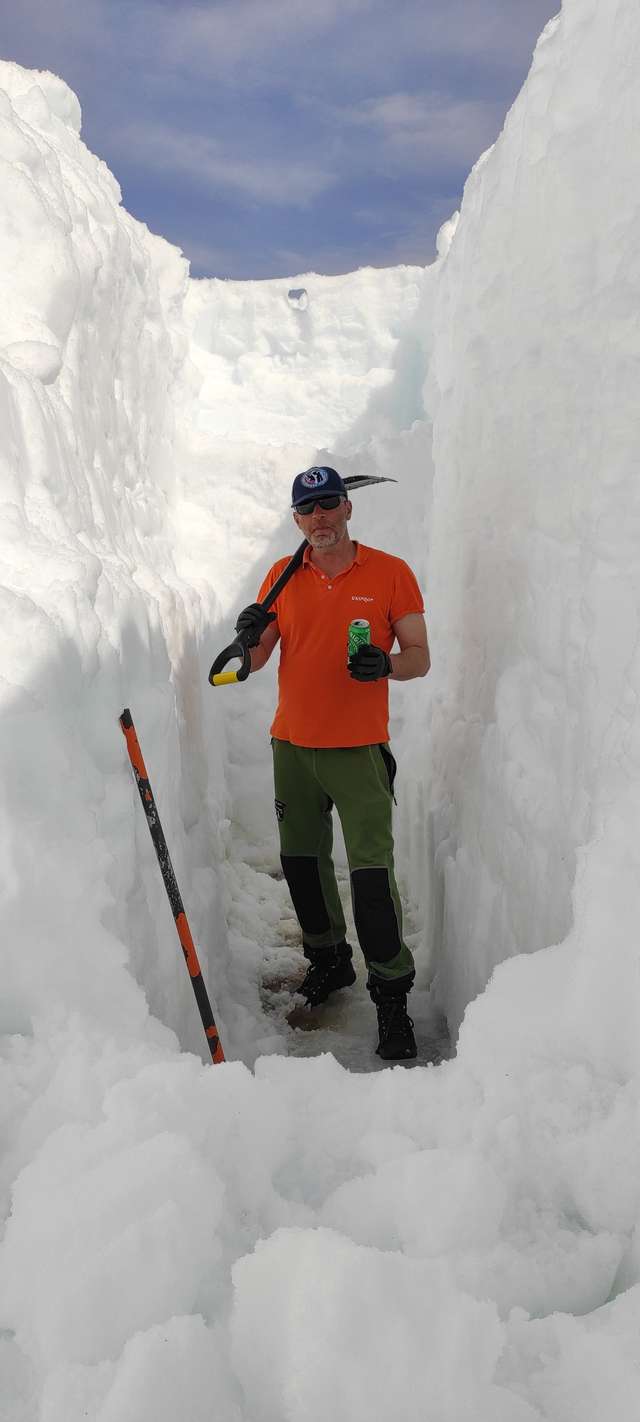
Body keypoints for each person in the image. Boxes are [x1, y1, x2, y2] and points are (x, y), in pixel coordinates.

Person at [235, 465, 430, 1059]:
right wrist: (247, 638)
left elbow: (419, 657)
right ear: (297, 519)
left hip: (359, 751)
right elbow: (260, 657)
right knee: (302, 865)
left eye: (328, 505)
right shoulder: (281, 576)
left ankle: (392, 998)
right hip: (292, 747)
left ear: (348, 508)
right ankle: (328, 961)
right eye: (307, 509)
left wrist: (386, 665)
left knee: (371, 879)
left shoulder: (391, 573)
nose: (319, 518)